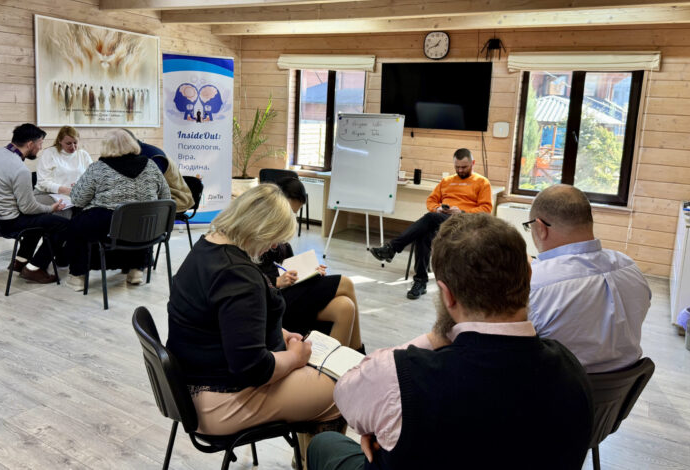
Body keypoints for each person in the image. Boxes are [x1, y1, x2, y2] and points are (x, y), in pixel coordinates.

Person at [308, 214, 594, 470]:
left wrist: (437, 335)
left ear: (448, 295)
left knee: (325, 444)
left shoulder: (401, 376)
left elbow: (345, 394)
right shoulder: (573, 370)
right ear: (529, 276)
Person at [166, 184, 341, 465]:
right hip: (218, 401)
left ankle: (306, 457)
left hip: (193, 387)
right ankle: (312, 460)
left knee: (321, 375)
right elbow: (253, 368)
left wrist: (278, 333)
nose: (273, 247)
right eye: (273, 239)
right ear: (258, 229)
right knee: (342, 390)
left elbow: (226, 324)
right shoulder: (238, 275)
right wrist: (294, 358)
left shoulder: (206, 247)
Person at [527, 184, 652, 373]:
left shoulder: (535, 284)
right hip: (623, 387)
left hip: (558, 387)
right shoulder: (630, 267)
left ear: (540, 227)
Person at [368, 148, 492, 300]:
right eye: (457, 167)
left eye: (464, 167)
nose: (460, 170)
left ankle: (392, 248)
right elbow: (431, 201)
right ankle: (420, 281)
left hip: (465, 224)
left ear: (473, 163)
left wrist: (461, 212)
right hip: (442, 220)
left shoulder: (482, 182)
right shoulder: (446, 181)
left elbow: (486, 209)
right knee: (424, 234)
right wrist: (438, 208)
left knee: (430, 218)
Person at [259, 177, 363, 352]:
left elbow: (288, 267)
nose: (290, 219)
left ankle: (341, 363)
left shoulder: (280, 241)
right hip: (276, 298)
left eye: (294, 214)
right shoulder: (257, 237)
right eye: (289, 212)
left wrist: (309, 271)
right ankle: (361, 354)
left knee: (345, 307)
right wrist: (276, 281)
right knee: (346, 283)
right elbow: (251, 277)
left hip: (289, 292)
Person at [63, 129, 170, 290]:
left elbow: (78, 199)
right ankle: (136, 269)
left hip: (111, 226)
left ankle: (78, 276)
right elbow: (166, 196)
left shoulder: (98, 168)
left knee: (76, 225)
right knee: (141, 218)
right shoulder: (151, 165)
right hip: (147, 228)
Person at [0, 123, 69, 284]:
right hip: (7, 223)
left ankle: (20, 261)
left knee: (40, 220)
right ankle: (35, 268)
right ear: (30, 144)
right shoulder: (20, 169)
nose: (40, 148)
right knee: (63, 225)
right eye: (40, 144)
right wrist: (51, 208)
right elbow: (28, 208)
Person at [34, 125, 93, 217]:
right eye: (68, 143)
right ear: (60, 141)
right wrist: (66, 190)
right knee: (64, 210)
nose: (73, 147)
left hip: (74, 194)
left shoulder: (83, 154)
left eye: (75, 143)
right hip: (48, 193)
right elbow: (43, 183)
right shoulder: (49, 153)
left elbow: (92, 177)